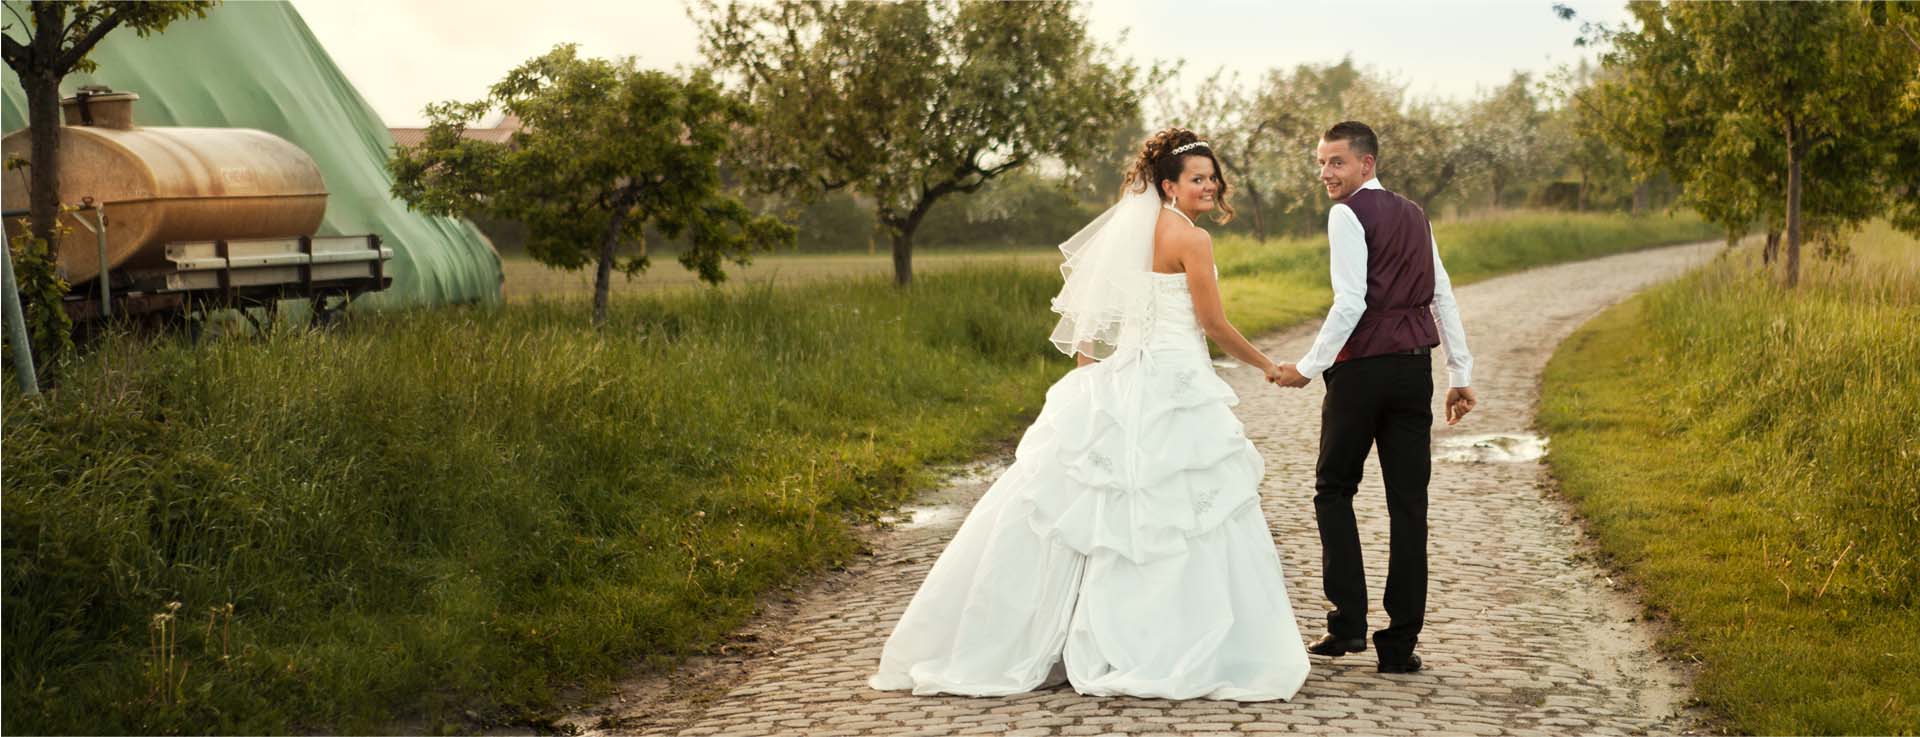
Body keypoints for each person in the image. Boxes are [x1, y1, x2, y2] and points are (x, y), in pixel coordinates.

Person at [867, 127, 1310, 701]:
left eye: (1212, 176)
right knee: (1181, 515)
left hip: (1129, 375)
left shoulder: (1133, 234)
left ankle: (1077, 640)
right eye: (1197, 178)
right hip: (1174, 383)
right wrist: (1268, 365)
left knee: (1112, 513)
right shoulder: (1192, 241)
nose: (1209, 185)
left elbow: (1095, 314)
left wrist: (1090, 377)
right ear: (1169, 185)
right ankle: (1164, 646)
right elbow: (1212, 324)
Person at [1272, 120, 1477, 675]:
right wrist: (1459, 371)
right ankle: (1399, 645)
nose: (1325, 174)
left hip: (1361, 373)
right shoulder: (1415, 213)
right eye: (1320, 163)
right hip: (1415, 373)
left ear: (1367, 163)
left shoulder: (1348, 214)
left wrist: (1309, 368)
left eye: (1335, 162)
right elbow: (1442, 295)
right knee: (1409, 505)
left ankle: (1348, 625)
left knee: (1333, 488)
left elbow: (1351, 302)